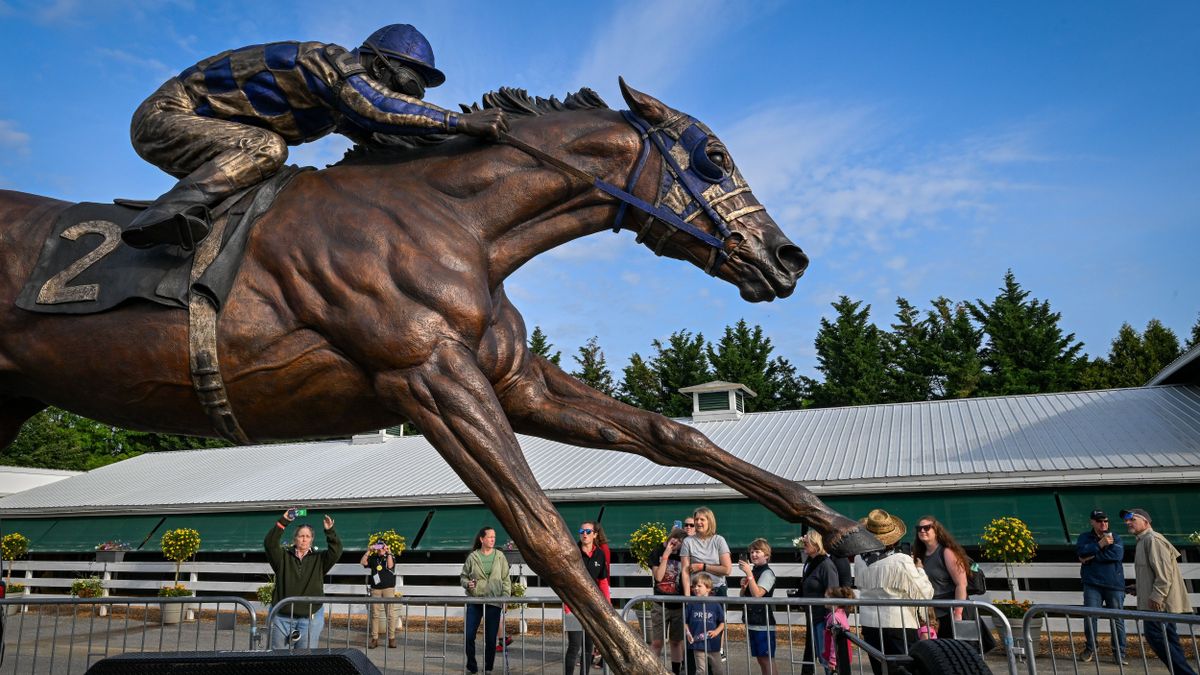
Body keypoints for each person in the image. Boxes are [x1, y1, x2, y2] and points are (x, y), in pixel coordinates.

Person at [121, 23, 508, 250]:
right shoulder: (325, 62)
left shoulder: (332, 107)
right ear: (376, 62)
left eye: (417, 93)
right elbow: (380, 107)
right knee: (266, 149)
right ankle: (167, 213)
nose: (408, 96)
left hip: (213, 133)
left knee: (283, 184)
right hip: (169, 116)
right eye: (407, 83)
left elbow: (383, 134)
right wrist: (459, 123)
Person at [854, 509, 933, 675]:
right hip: (898, 625)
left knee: (880, 670)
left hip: (870, 625)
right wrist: (920, 570)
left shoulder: (859, 559)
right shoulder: (901, 560)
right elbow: (925, 593)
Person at [1122, 508, 1197, 675]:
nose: (1128, 522)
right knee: (1170, 640)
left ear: (1146, 522)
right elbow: (1154, 573)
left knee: (1155, 636)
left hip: (1158, 604)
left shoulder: (1153, 540)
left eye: (1132, 519)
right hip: (1157, 602)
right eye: (1127, 520)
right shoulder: (1143, 540)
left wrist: (1157, 596)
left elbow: (1164, 574)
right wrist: (1139, 587)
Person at [911, 515, 996, 654]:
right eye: (919, 528)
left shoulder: (947, 552)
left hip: (954, 611)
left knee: (965, 655)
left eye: (927, 528)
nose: (922, 531)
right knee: (943, 657)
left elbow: (961, 584)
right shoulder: (920, 554)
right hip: (935, 614)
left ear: (936, 530)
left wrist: (958, 613)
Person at [264, 509, 342, 649]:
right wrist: (284, 521)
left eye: (307, 536)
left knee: (305, 659)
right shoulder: (282, 557)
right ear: (295, 538)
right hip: (281, 617)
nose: (304, 539)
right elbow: (270, 544)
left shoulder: (319, 559)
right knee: (277, 659)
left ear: (312, 539)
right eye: (301, 536)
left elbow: (336, 551)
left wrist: (330, 531)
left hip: (310, 618)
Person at [1075, 509, 1127, 664]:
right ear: (1092, 522)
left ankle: (1119, 652)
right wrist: (1100, 544)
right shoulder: (1085, 537)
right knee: (1090, 617)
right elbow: (1080, 552)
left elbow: (1116, 556)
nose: (1103, 523)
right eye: (1099, 521)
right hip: (1092, 584)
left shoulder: (1115, 537)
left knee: (1117, 619)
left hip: (1114, 585)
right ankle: (1091, 648)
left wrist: (1091, 556)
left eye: (1105, 521)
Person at [460, 526, 512, 675]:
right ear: (482, 539)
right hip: (475, 600)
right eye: (490, 537)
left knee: (490, 639)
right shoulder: (473, 556)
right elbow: (463, 576)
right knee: (469, 635)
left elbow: (506, 579)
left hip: (494, 601)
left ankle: (488, 668)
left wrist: (505, 598)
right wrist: (467, 583)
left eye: (494, 537)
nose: (493, 539)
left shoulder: (500, 556)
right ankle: (472, 666)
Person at [565, 521, 609, 675]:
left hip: (592, 607)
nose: (584, 534)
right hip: (574, 605)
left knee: (588, 646)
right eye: (581, 531)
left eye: (588, 532)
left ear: (595, 535)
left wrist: (607, 605)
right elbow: (566, 581)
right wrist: (567, 607)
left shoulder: (600, 554)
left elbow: (603, 581)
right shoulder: (573, 552)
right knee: (574, 645)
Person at [798, 531, 839, 675]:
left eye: (807, 542)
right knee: (823, 657)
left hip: (823, 618)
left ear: (816, 544)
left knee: (827, 658)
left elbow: (832, 591)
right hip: (813, 616)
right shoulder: (810, 563)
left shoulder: (826, 565)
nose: (804, 544)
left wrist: (830, 619)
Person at [649, 526, 688, 674]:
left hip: (677, 604)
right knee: (657, 641)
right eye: (676, 539)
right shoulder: (658, 551)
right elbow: (658, 577)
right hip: (660, 603)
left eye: (681, 542)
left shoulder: (683, 554)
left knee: (676, 641)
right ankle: (653, 670)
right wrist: (666, 555)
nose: (677, 543)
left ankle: (676, 671)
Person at [738, 538, 778, 675]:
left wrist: (749, 575)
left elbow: (758, 594)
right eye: (752, 552)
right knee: (761, 659)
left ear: (766, 555)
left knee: (767, 659)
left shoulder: (767, 573)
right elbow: (743, 596)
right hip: (752, 621)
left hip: (764, 622)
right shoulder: (754, 572)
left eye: (757, 552)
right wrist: (744, 587)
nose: (753, 555)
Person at [680, 507, 732, 597]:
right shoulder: (688, 541)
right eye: (696, 519)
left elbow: (727, 570)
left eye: (702, 519)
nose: (698, 522)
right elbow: (685, 571)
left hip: (717, 589)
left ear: (709, 521)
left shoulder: (719, 540)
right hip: (696, 591)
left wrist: (703, 567)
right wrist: (687, 597)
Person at [360, 537, 400, 649]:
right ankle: (374, 639)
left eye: (381, 546)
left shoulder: (390, 556)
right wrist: (369, 550)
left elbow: (391, 566)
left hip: (388, 588)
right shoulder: (373, 558)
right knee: (375, 614)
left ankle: (391, 639)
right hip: (376, 589)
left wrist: (388, 552)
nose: (380, 548)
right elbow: (362, 562)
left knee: (390, 614)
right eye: (378, 546)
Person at [685, 572, 726, 675]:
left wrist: (717, 631)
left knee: (718, 670)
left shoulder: (715, 604)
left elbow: (722, 622)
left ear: (708, 588)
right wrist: (688, 633)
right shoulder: (691, 604)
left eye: (699, 586)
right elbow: (685, 622)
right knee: (701, 670)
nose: (696, 588)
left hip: (713, 644)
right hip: (697, 643)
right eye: (694, 586)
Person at [822, 587, 856, 675]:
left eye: (826, 598)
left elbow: (834, 642)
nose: (823, 600)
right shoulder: (841, 613)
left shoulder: (834, 617)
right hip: (843, 654)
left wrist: (833, 660)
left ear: (835, 601)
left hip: (838, 656)